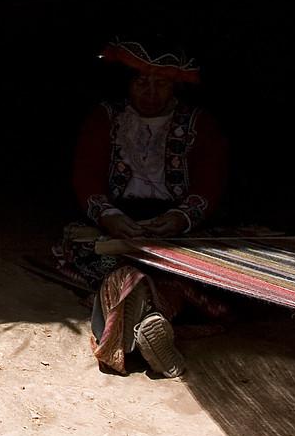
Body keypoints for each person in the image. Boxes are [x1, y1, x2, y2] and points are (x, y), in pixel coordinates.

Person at [55, 38, 229, 378]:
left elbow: (211, 182)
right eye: (142, 82)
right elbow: (86, 175)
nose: (150, 92)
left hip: (177, 227)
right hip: (118, 223)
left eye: (160, 83)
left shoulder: (200, 124)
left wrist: (178, 219)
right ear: (127, 83)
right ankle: (152, 321)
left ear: (174, 86)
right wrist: (112, 217)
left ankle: (140, 321)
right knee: (107, 260)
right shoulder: (105, 118)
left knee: (189, 271)